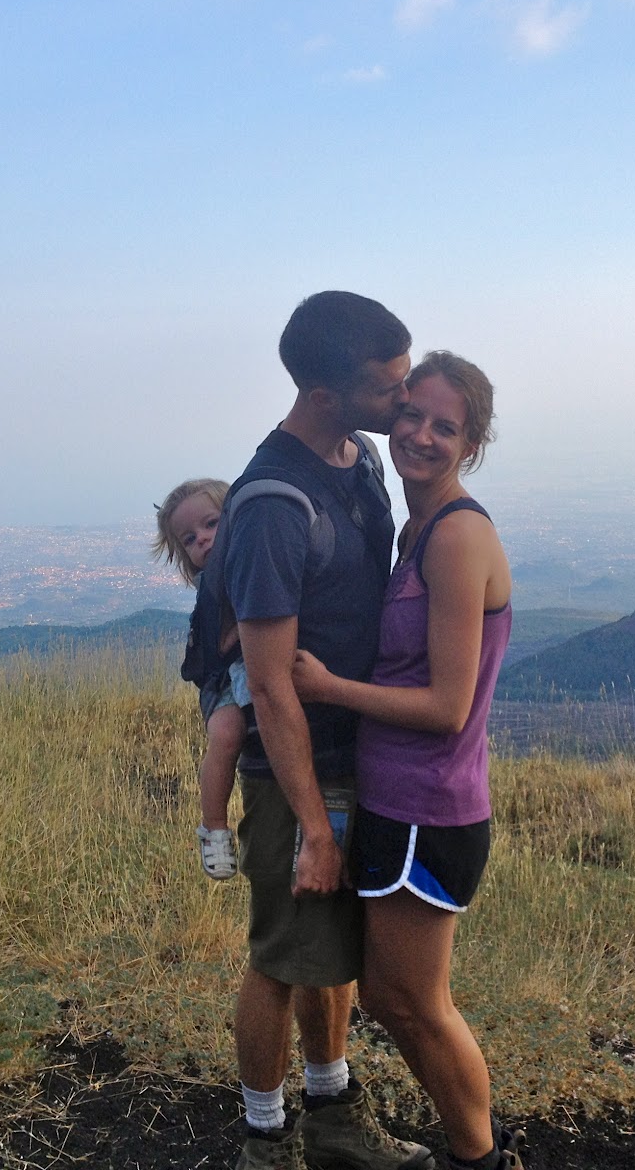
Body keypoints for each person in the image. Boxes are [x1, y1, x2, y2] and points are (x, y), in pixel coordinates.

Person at [217, 291, 434, 1170]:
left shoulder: (360, 459)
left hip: (358, 750)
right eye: (388, 387)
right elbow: (272, 686)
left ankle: (335, 1114)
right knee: (281, 954)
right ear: (325, 395)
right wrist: (312, 824)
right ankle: (265, 1143)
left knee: (331, 951)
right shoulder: (274, 503)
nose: (405, 398)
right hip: (295, 770)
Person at [291, 352, 521, 1170]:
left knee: (417, 1005)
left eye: (445, 427)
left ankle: (480, 1158)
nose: (421, 435)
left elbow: (446, 707)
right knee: (391, 998)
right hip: (399, 799)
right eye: (412, 415)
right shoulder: (415, 528)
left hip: (431, 807)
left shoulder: (456, 537)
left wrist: (330, 688)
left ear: (471, 444)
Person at [152, 476, 243, 880]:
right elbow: (221, 641)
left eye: (211, 523)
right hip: (223, 682)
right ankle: (214, 828)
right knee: (226, 732)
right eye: (189, 539)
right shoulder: (214, 581)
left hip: (245, 671)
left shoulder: (249, 561)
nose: (203, 539)